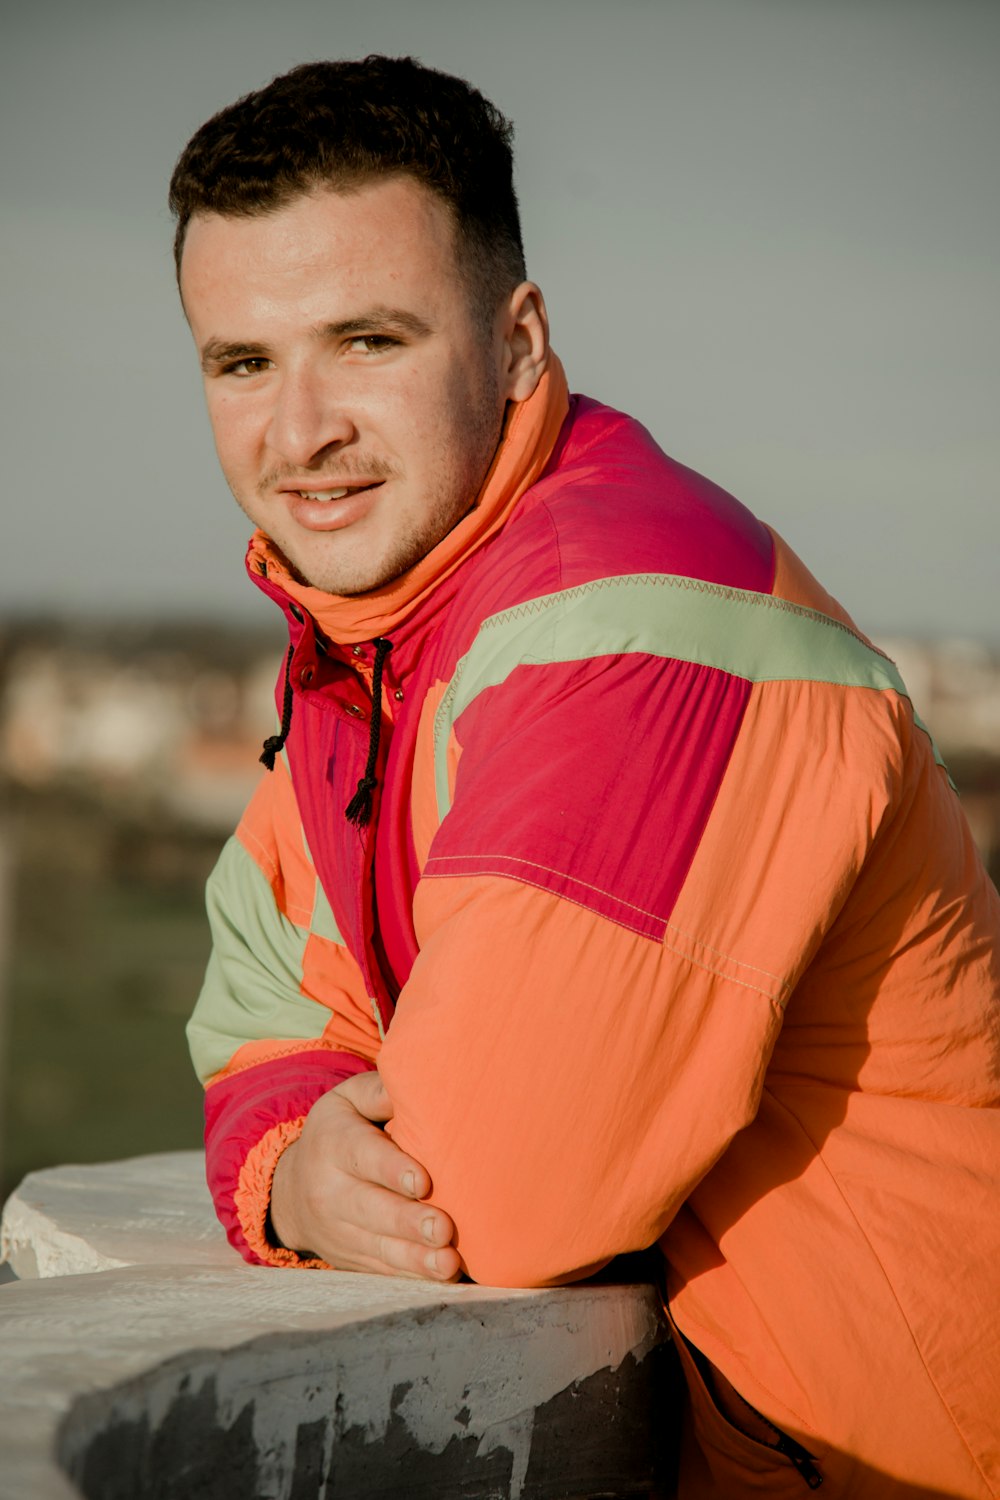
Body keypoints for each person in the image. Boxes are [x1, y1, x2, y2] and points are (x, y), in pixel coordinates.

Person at [173, 56, 1000, 1498]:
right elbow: (256, 997)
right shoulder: (370, 657)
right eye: (242, 362)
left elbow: (492, 1193)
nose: (297, 433)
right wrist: (290, 1167)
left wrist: (327, 1171)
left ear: (520, 341)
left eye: (367, 341)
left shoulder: (630, 625)